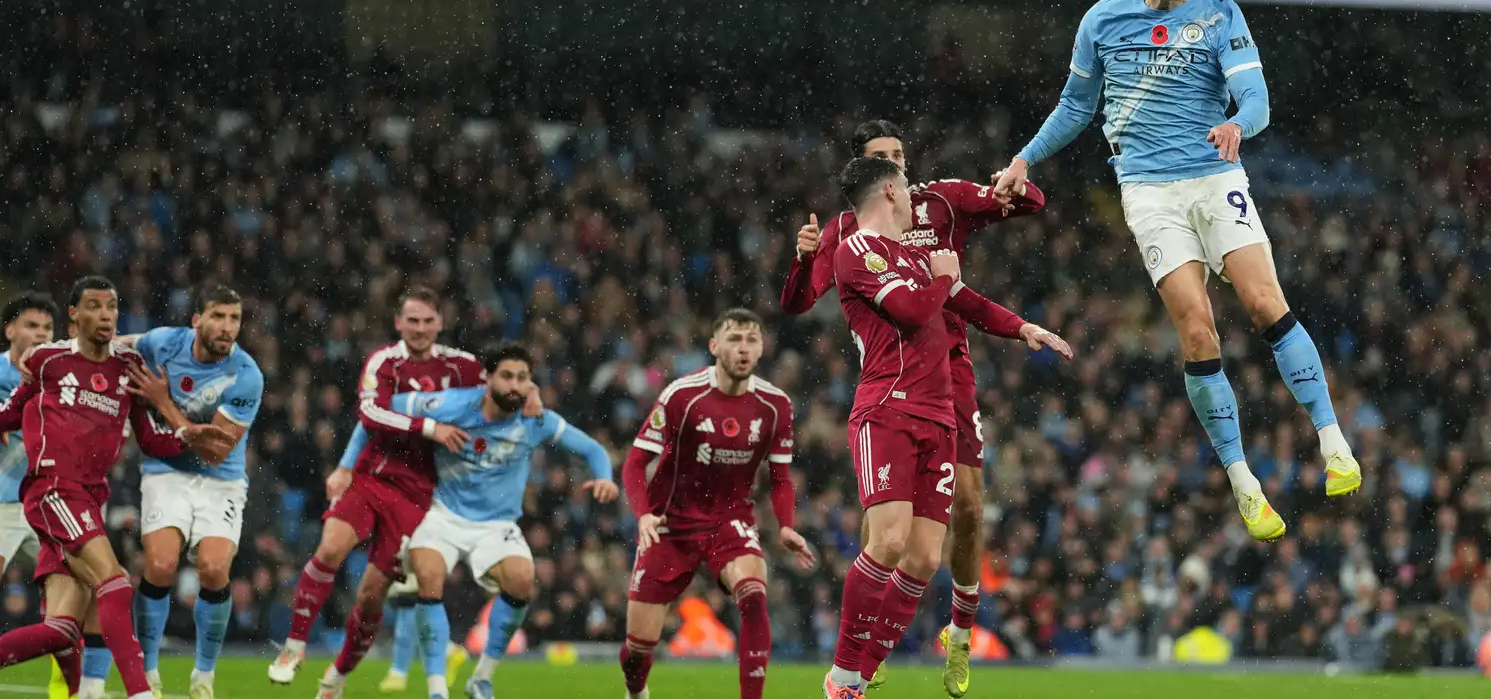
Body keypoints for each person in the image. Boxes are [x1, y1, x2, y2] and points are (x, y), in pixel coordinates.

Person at [993, 0, 1359, 541]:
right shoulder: (1104, 21)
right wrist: (1026, 158)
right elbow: (1077, 106)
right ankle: (1244, 482)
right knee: (1196, 326)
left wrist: (1239, 124)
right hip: (1148, 192)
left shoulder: (1219, 12)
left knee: (1265, 301)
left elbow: (1257, 99)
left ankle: (1334, 441)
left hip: (1215, 178)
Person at [782, 120, 1046, 696]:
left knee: (954, 525)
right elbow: (801, 301)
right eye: (886, 160)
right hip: (893, 386)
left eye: (901, 156)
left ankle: (949, 630)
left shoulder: (940, 202)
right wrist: (804, 261)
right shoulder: (848, 238)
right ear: (874, 178)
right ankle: (851, 669)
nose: (901, 169)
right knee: (889, 537)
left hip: (948, 384)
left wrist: (1013, 186)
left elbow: (1028, 206)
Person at [338, 341, 617, 699]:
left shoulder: (536, 420)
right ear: (487, 378)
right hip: (443, 514)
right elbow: (378, 411)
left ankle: (481, 678)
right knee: (429, 576)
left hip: (497, 525)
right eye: (506, 377)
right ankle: (437, 690)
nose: (514, 385)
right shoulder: (450, 404)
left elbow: (592, 449)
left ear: (531, 383)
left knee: (522, 582)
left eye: (522, 378)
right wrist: (349, 464)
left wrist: (605, 476)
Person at [0, 276, 227, 699]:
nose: (104, 315)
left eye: (111, 307)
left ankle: (80, 692)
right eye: (94, 306)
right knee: (117, 583)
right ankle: (140, 692)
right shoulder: (49, 360)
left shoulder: (127, 370)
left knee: (62, 629)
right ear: (74, 315)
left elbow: (150, 439)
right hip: (53, 490)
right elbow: (13, 412)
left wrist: (188, 438)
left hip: (89, 499)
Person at [269, 287, 483, 698]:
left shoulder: (463, 367)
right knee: (331, 547)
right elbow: (370, 414)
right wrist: (424, 428)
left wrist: (530, 397)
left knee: (370, 598)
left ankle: (337, 675)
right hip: (374, 478)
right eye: (412, 321)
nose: (420, 329)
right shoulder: (385, 362)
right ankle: (293, 647)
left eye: (427, 321)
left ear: (440, 323)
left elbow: (499, 392)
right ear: (399, 323)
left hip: (419, 497)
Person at [618, 308, 817, 699]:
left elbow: (780, 479)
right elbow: (635, 463)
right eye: (734, 339)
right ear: (714, 346)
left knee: (754, 595)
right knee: (637, 650)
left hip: (729, 519)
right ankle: (636, 691)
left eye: (751, 340)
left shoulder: (776, 405)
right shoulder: (682, 396)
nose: (743, 348)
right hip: (670, 524)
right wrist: (643, 516)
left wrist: (787, 525)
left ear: (762, 349)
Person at [79, 286, 264, 699]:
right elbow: (120, 346)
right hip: (166, 469)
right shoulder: (165, 342)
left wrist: (163, 403)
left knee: (214, 570)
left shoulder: (246, 375)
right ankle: (149, 670)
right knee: (160, 565)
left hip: (222, 479)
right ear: (196, 320)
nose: (228, 327)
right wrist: (66, 347)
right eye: (218, 316)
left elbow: (216, 451)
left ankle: (204, 673)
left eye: (235, 318)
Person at [0, 294, 71, 699]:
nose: (40, 335)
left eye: (46, 329)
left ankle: (65, 687)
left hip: (46, 505)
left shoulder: (60, 377)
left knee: (72, 591)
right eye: (31, 326)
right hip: (1, 504)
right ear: (10, 330)